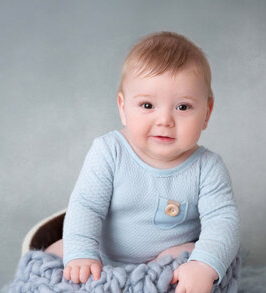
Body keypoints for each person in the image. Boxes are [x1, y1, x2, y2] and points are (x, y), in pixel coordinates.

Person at [46, 31, 240, 293]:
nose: (165, 120)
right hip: (103, 257)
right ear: (122, 108)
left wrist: (204, 265)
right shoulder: (109, 151)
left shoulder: (207, 167)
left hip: (162, 266)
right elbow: (86, 206)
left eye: (182, 107)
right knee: (54, 253)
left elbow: (222, 221)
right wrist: (82, 253)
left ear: (207, 113)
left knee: (193, 253)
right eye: (148, 105)